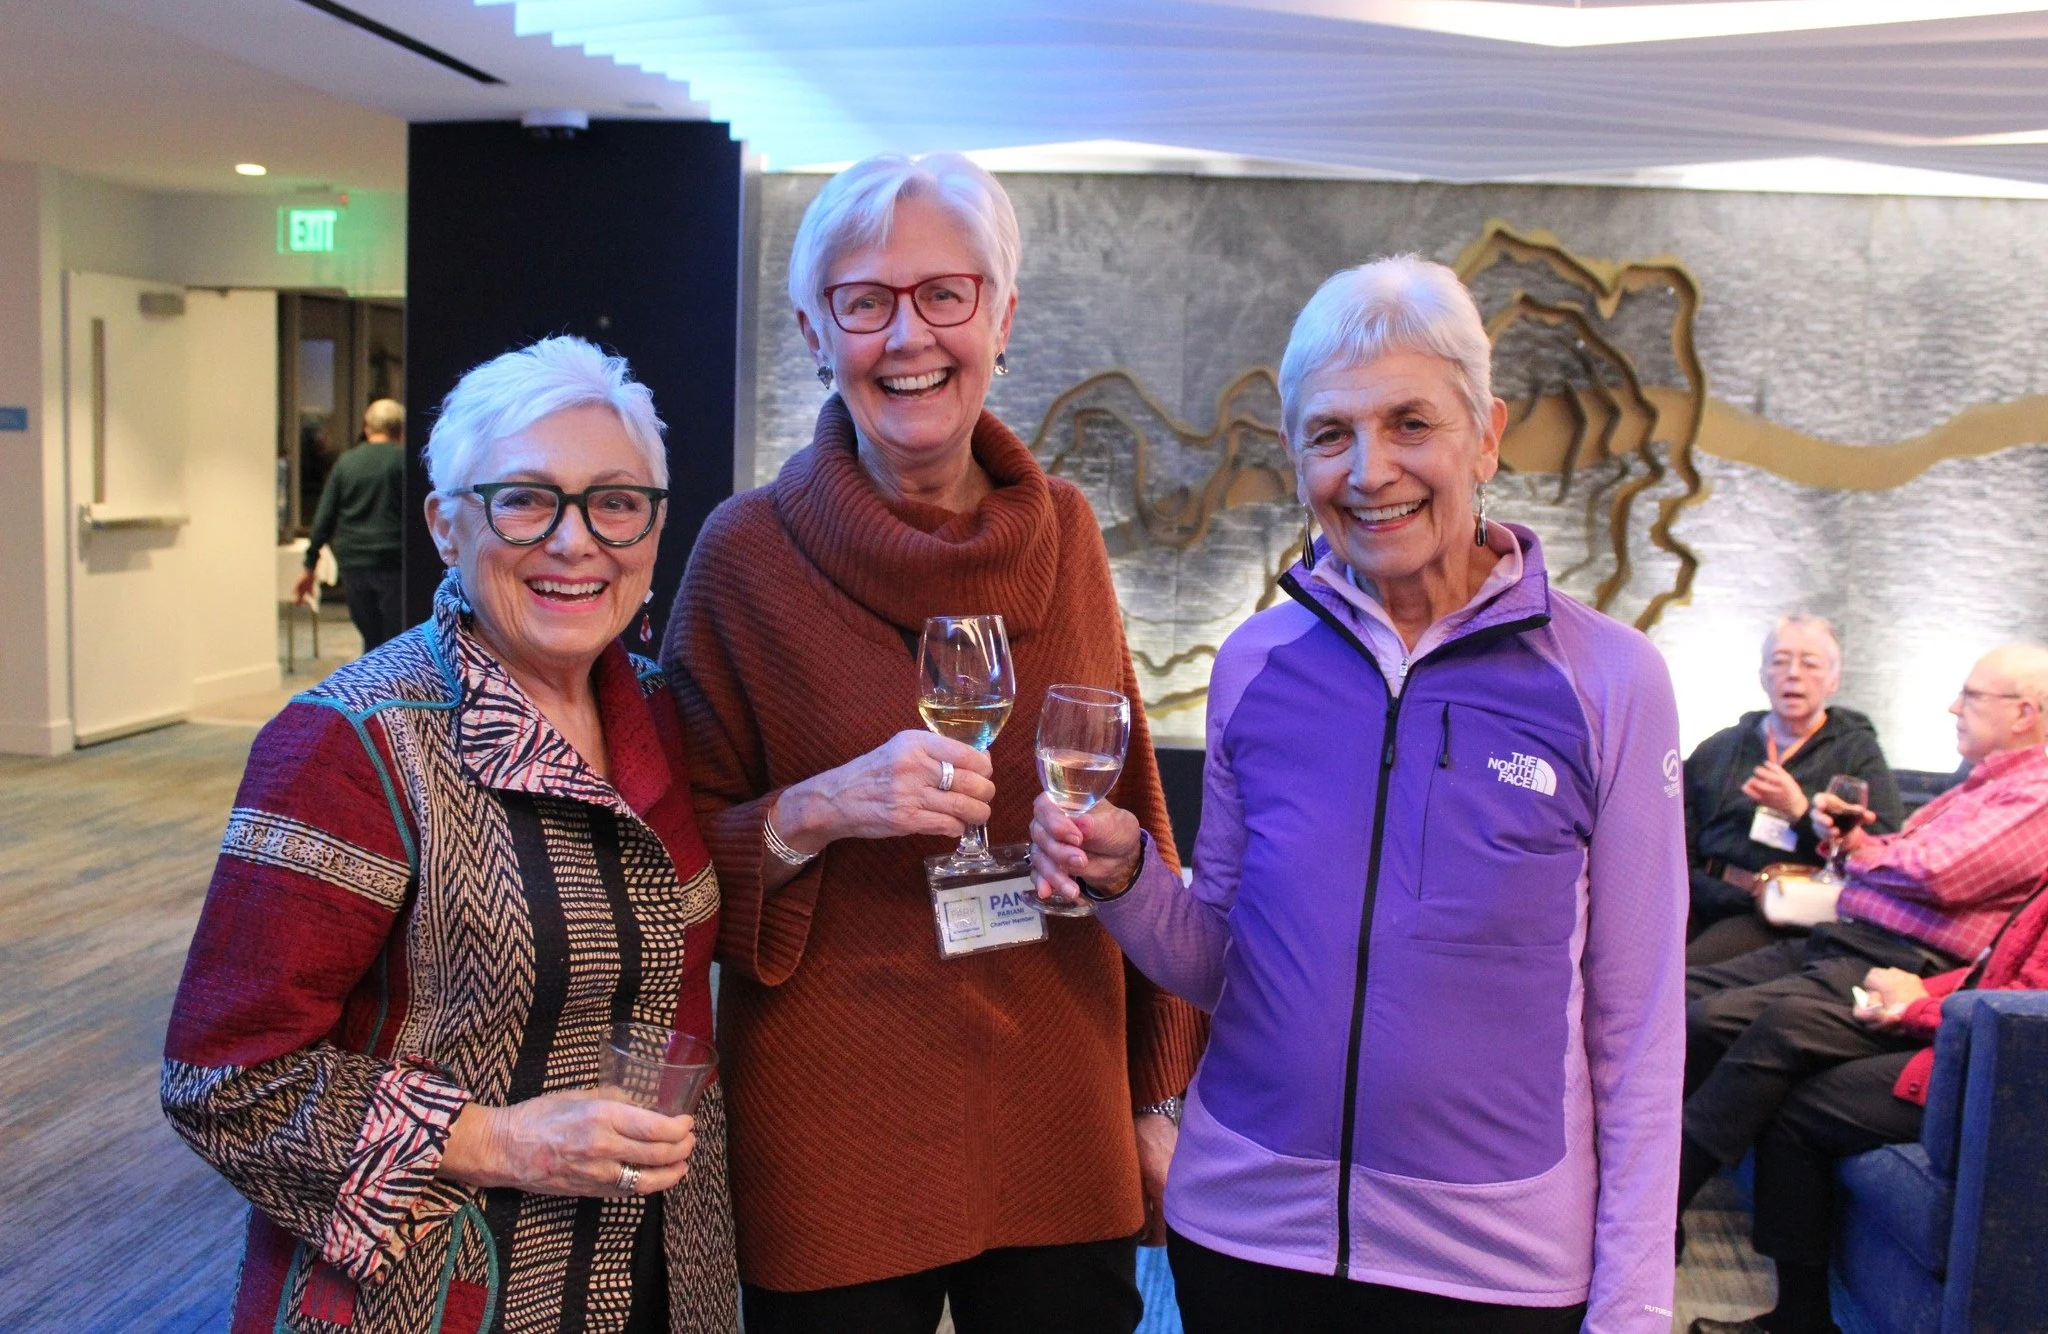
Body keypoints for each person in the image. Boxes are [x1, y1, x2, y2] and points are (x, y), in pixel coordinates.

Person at [1030, 255, 1686, 1333]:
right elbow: (1218, 959)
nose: (1369, 470)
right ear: (1295, 459)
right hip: (1242, 1238)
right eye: (1330, 434)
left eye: (1409, 424)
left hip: (1495, 1269)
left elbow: (1640, 1026)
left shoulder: (1610, 681)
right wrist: (1125, 879)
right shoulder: (1255, 663)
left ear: (1486, 434)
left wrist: (1630, 1307)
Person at [663, 152, 1204, 1334]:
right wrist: (815, 810)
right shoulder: (742, 556)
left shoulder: (1064, 530)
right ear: (817, 330)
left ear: (1000, 318)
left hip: (1056, 1102)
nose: (908, 336)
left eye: (944, 295)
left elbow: (1141, 818)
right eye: (866, 301)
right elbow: (673, 873)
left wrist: (1159, 1092)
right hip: (834, 1122)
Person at [164, 338, 736, 1333]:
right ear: (444, 523)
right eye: (524, 499)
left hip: (656, 1272)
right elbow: (225, 1079)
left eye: (615, 501)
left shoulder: (653, 711)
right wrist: (498, 1140)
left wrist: (820, 816)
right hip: (441, 1291)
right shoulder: (351, 742)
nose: (575, 542)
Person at [1679, 646, 2048, 1331]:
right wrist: (1861, 847)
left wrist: (1861, 853)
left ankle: (1654, 1203)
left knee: (1770, 1031)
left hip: (1922, 974)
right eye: (1779, 659)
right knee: (1688, 1004)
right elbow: (1918, 862)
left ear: (2025, 712)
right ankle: (1664, 1208)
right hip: (1877, 949)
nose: (1951, 707)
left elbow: (1938, 873)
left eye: (1968, 695)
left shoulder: (2037, 796)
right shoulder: (1981, 784)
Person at [1678, 875, 2048, 1334]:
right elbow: (1988, 974)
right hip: (1952, 1023)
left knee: (1800, 1108)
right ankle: (1666, 1205)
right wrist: (1922, 991)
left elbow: (2020, 1014)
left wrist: (1915, 1009)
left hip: (1993, 1073)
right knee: (1789, 1023)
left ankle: (1796, 1318)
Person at [1685, 615, 1902, 964]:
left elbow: (1885, 847)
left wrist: (1800, 812)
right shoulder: (1723, 745)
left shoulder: (1855, 751)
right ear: (1762, 675)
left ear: (1834, 680)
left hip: (1780, 914)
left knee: (1683, 977)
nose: (1793, 674)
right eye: (1780, 661)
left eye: (1810, 663)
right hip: (1699, 896)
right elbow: (1678, 828)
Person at [296, 397, 407, 651]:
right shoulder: (403, 461)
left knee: (370, 637)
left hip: (353, 562)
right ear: (400, 431)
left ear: (367, 428)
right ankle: (393, 688)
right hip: (393, 561)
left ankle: (371, 686)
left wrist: (310, 565)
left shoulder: (346, 462)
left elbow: (325, 516)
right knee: (396, 640)